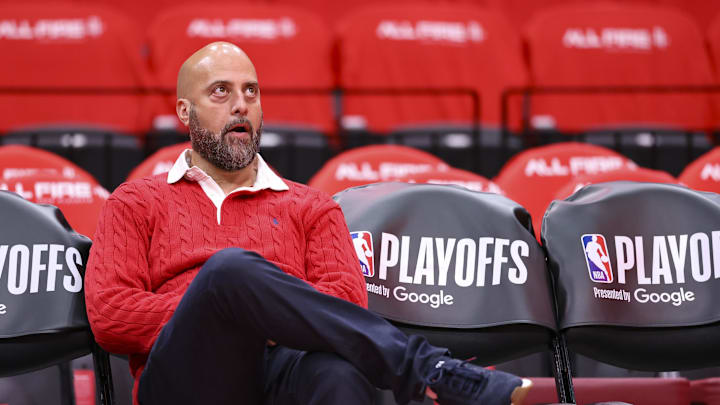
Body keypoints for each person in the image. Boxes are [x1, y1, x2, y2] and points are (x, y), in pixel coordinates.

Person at [84, 41, 531, 405]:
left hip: (283, 369)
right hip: (186, 378)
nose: (241, 105)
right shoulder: (135, 200)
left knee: (336, 373)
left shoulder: (311, 206)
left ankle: (430, 371)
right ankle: (429, 369)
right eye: (221, 92)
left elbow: (345, 301)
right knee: (229, 272)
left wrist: (262, 318)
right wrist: (239, 315)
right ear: (185, 112)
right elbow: (110, 314)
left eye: (251, 92)